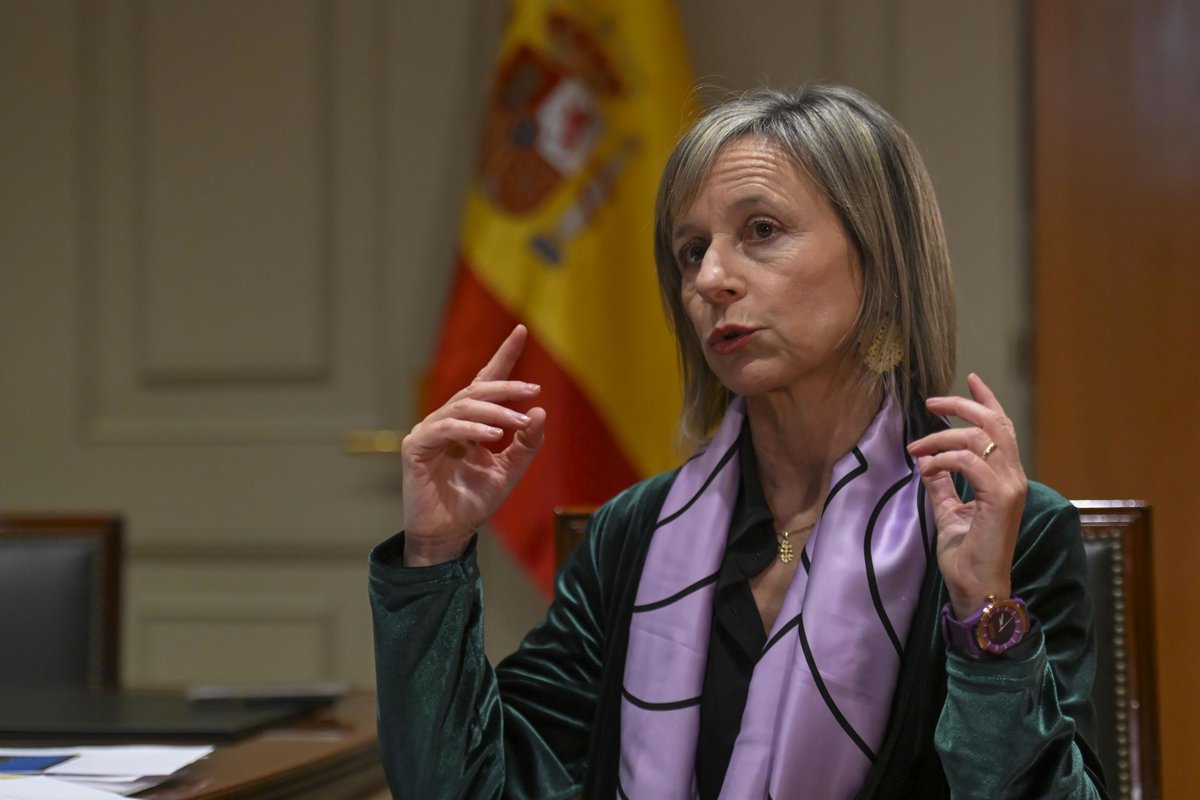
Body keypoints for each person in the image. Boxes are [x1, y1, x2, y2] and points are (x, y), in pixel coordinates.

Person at [369, 85, 1106, 799]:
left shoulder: (1003, 528)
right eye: (692, 251)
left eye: (762, 231)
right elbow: (460, 789)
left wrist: (983, 616)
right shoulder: (635, 533)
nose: (712, 279)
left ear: (879, 255)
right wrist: (433, 556)